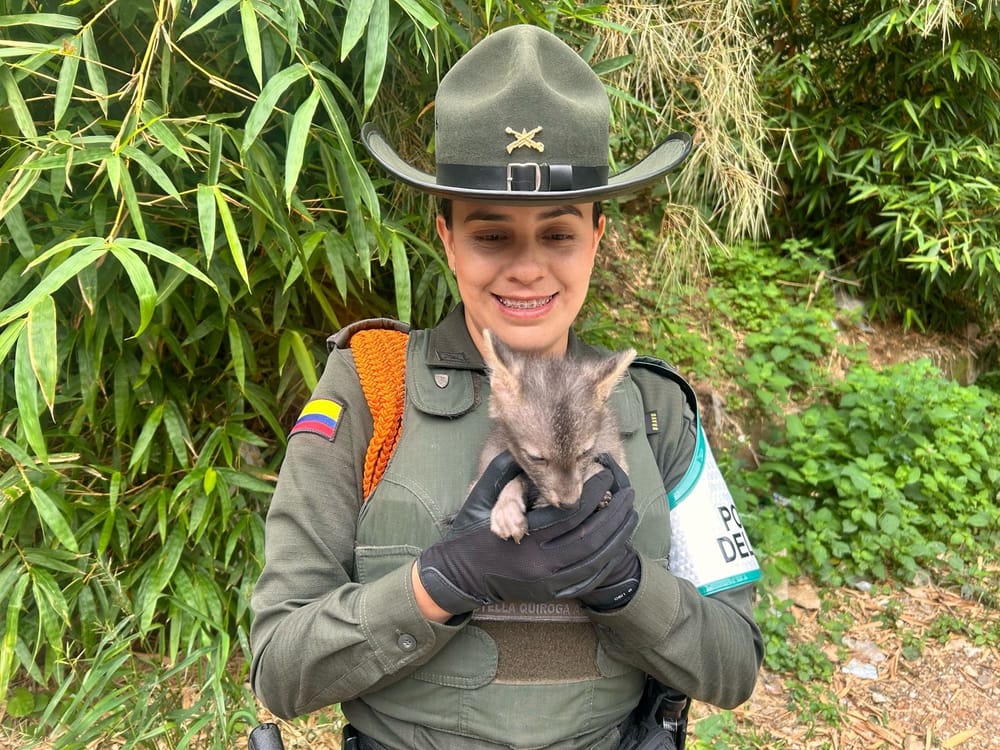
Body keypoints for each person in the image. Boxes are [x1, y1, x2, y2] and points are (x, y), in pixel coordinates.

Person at [249, 23, 763, 750]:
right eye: (492, 235)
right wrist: (441, 582)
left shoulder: (653, 409)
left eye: (557, 234)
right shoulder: (373, 385)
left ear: (597, 237)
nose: (526, 268)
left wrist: (625, 585)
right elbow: (278, 669)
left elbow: (735, 665)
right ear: (448, 238)